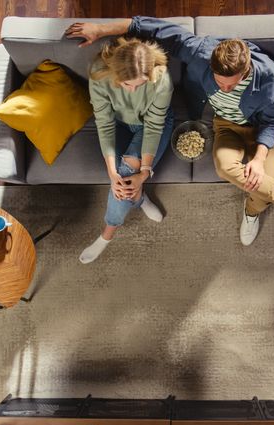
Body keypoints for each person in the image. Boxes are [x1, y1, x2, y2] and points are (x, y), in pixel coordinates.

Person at [66, 18, 274, 247]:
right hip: (225, 125)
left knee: (261, 184)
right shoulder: (201, 52)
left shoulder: (273, 80)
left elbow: (271, 122)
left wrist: (258, 160)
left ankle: (252, 212)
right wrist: (101, 28)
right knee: (226, 168)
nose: (223, 89)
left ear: (246, 71)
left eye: (231, 84)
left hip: (261, 133)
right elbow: (150, 27)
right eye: (218, 82)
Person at [67, 32, 176, 263]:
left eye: (140, 84)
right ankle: (139, 199)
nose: (133, 90)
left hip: (152, 124)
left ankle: (106, 235)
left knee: (128, 173)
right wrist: (111, 173)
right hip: (119, 124)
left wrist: (144, 173)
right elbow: (104, 123)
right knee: (121, 176)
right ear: (116, 75)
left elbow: (154, 125)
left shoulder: (161, 79)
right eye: (127, 84)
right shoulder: (99, 74)